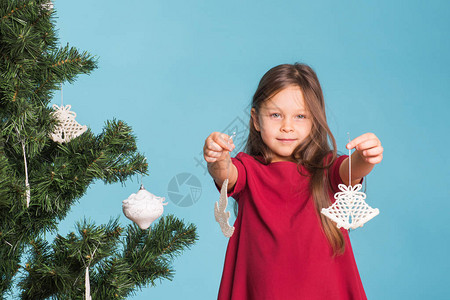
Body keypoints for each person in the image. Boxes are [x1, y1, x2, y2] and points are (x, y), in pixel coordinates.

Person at [203, 63, 383, 300]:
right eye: (276, 115)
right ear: (256, 120)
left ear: (314, 121)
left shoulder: (328, 168)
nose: (287, 126)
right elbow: (225, 174)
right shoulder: (248, 169)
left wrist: (365, 156)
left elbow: (352, 169)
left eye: (300, 116)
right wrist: (217, 156)